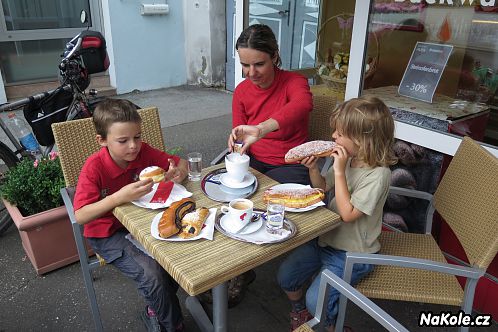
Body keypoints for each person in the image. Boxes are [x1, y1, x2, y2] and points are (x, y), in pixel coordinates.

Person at [277, 96, 397, 331]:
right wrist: (313, 168)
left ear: (363, 140)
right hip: (326, 239)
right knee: (286, 276)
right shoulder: (347, 160)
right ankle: (300, 312)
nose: (333, 136)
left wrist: (340, 172)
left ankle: (333, 325)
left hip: (353, 253)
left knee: (317, 300)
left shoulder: (378, 175)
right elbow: (322, 188)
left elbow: (348, 214)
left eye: (340, 133)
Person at [73, 99, 188, 332]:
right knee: (152, 275)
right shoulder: (94, 167)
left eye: (137, 136)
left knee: (178, 259)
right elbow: (81, 215)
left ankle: (156, 306)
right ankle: (172, 325)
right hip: (106, 233)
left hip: (141, 223)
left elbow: (180, 163)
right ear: (102, 140)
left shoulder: (143, 151)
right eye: (123, 141)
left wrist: (178, 173)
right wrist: (118, 197)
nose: (133, 146)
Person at [228, 24, 313, 185]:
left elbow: (303, 104)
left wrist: (261, 129)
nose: (251, 73)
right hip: (252, 162)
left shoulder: (294, 81)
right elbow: (240, 134)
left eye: (259, 64)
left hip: (291, 165)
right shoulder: (241, 91)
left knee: (273, 202)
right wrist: (237, 143)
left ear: (274, 56)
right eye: (245, 65)